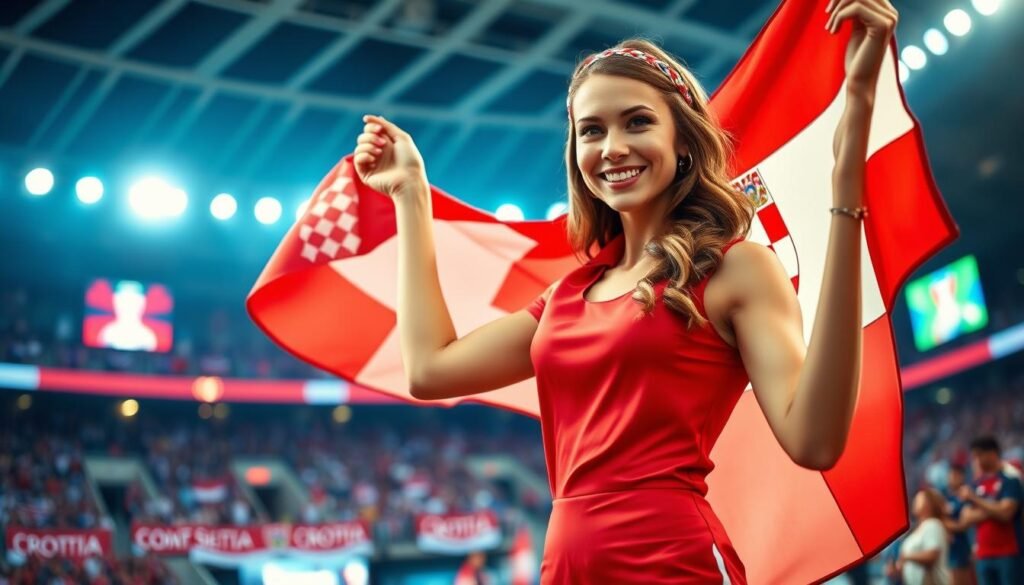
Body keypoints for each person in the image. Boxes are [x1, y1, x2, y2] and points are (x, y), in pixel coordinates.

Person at [351, 0, 898, 580]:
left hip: (673, 562)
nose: (612, 146)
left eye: (637, 122)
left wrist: (847, 177)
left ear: (683, 142)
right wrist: (412, 196)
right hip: (565, 566)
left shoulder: (735, 270)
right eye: (592, 130)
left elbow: (814, 442)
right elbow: (429, 370)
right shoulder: (565, 297)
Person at [959, 436, 1022, 585]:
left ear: (993, 454)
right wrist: (995, 507)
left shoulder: (1010, 481)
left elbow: (1006, 514)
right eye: (974, 456)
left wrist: (975, 500)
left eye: (979, 455)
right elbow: (965, 518)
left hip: (1009, 552)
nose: (976, 460)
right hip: (983, 555)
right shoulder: (976, 485)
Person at [898, 487, 953, 585]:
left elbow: (932, 555)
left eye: (919, 499)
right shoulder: (918, 528)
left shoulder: (932, 524)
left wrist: (906, 557)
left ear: (929, 504)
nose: (915, 501)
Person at [944, 463, 977, 585]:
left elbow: (964, 524)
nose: (950, 478)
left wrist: (945, 523)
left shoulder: (968, 496)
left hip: (966, 548)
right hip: (952, 549)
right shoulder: (947, 499)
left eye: (953, 475)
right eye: (949, 475)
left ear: (961, 476)